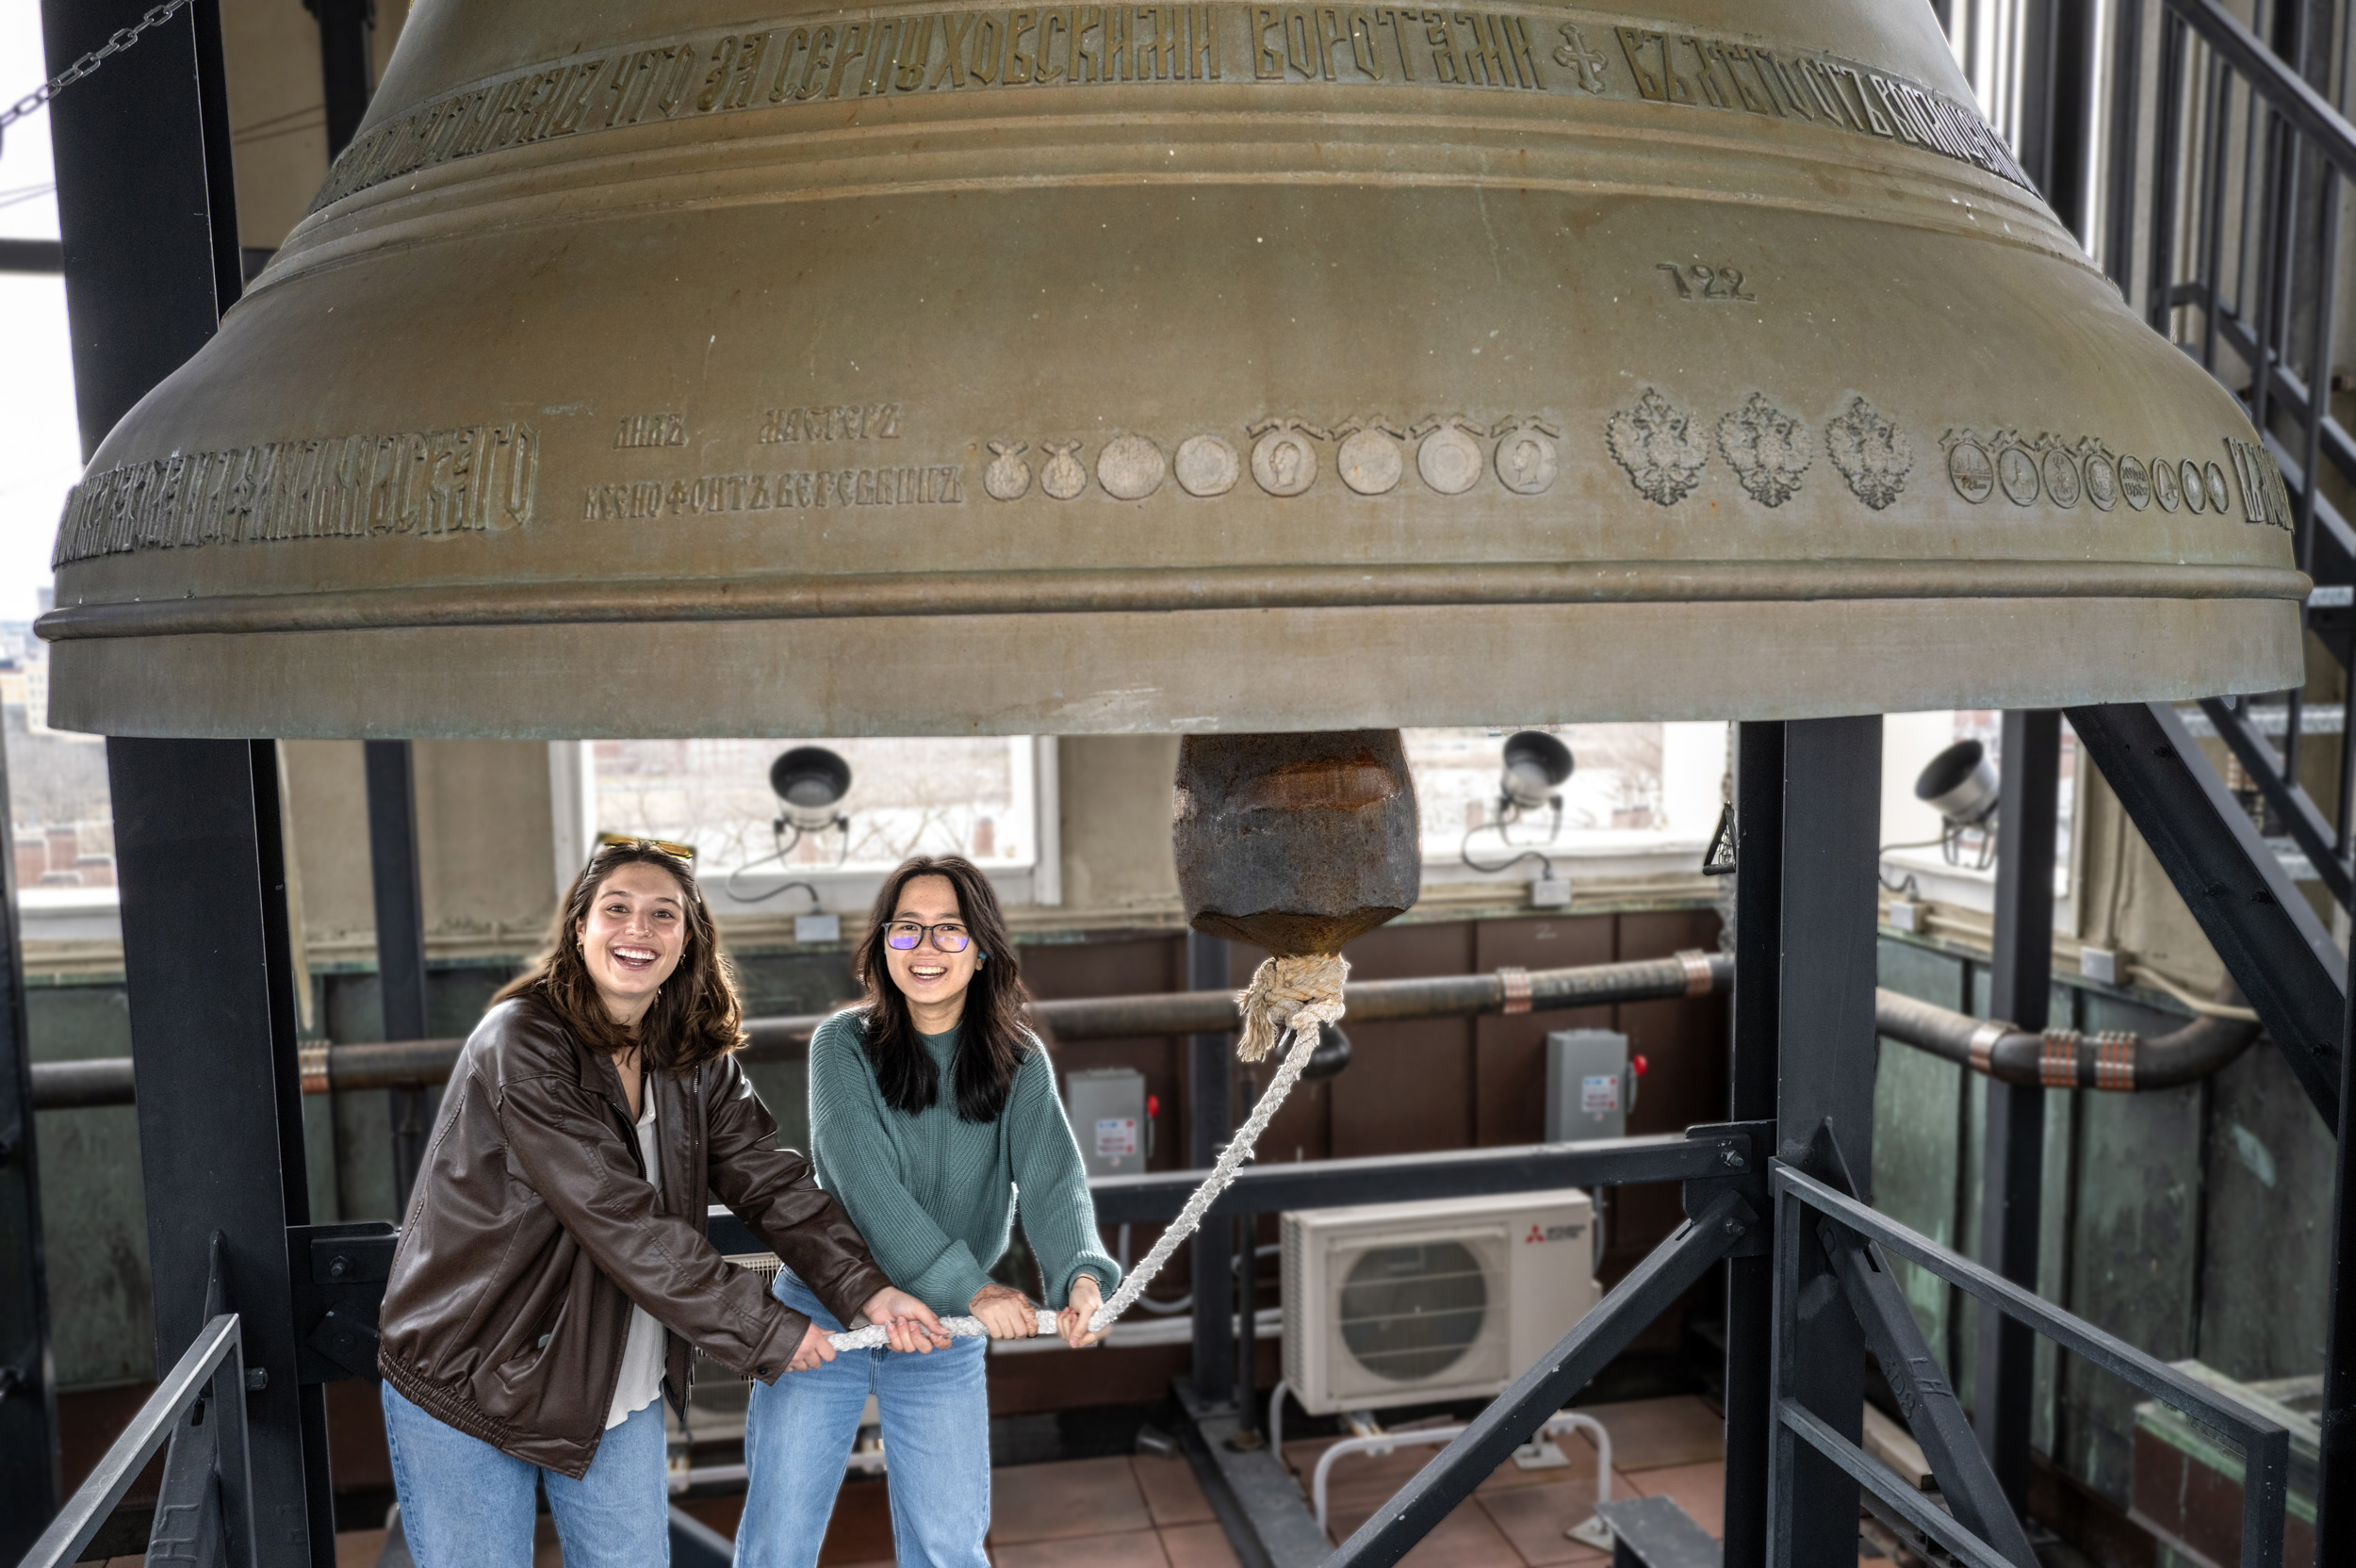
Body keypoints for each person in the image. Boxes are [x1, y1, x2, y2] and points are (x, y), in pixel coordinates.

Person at [375, 839, 947, 1567]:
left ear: (689, 941)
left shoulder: (693, 1057)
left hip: (608, 1378)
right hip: (469, 1379)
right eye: (617, 909)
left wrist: (870, 1292)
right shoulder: (520, 1041)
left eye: (663, 915)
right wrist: (766, 1330)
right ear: (579, 927)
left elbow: (771, 1183)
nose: (638, 930)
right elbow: (622, 1221)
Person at [738, 856, 1121, 1568]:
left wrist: (1081, 1278)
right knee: (777, 1541)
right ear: (883, 946)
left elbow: (1053, 1182)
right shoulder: (842, 1046)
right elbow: (867, 1188)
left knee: (949, 1544)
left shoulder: (1018, 1059)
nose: (927, 949)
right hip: (829, 1307)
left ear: (981, 951)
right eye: (908, 929)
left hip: (945, 1329)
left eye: (950, 931)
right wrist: (974, 1289)